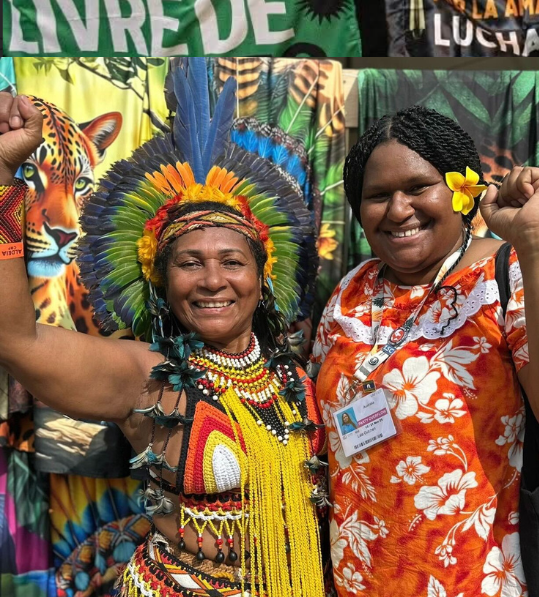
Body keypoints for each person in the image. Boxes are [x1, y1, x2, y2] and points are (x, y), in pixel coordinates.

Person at [0, 61, 326, 597]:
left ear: (262, 275)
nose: (213, 281)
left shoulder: (292, 371)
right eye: (189, 263)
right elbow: (16, 340)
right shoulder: (145, 375)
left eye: (232, 261)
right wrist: (3, 180)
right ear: (161, 280)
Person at [312, 106, 539, 597]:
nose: (398, 210)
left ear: (461, 192)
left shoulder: (504, 280)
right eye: (377, 196)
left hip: (471, 579)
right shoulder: (351, 290)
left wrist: (531, 242)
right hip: (357, 580)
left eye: (418, 188)